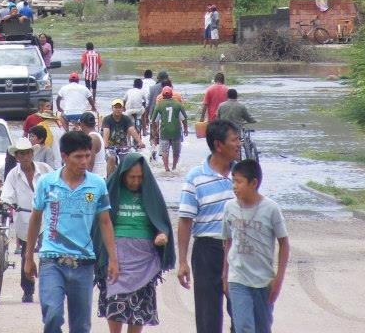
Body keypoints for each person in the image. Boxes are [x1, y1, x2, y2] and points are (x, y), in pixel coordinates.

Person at [24, 131, 118, 333]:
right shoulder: (47, 183)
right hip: (51, 259)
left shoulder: (97, 184)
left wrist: (113, 258)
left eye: (87, 155)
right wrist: (28, 256)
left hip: (84, 262)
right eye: (78, 157)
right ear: (64, 157)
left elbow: (105, 223)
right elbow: (35, 219)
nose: (84, 161)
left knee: (81, 325)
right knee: (52, 314)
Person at [94, 152, 175, 333]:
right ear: (123, 174)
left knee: (139, 309)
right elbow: (98, 219)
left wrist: (162, 235)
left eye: (140, 177)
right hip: (116, 257)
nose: (136, 181)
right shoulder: (110, 190)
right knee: (115, 304)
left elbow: (160, 220)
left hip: (144, 259)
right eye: (132, 177)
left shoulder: (150, 193)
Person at [177, 119, 240, 333]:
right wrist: (182, 261)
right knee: (208, 317)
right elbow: (185, 220)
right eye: (234, 140)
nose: (239, 144)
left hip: (240, 250)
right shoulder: (195, 177)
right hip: (207, 251)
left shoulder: (242, 176)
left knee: (242, 315)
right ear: (218, 145)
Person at [221, 159, 289, 333]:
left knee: (262, 328)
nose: (234, 186)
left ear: (253, 183)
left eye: (239, 181)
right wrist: (225, 273)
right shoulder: (229, 207)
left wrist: (279, 279)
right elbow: (227, 241)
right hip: (238, 278)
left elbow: (284, 244)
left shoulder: (271, 209)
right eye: (233, 181)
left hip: (264, 281)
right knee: (243, 327)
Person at [0, 138, 53, 303]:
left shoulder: (45, 169)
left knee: (47, 251)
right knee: (26, 255)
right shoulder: (13, 174)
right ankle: (28, 290)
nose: (25, 156)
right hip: (25, 219)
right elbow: (7, 194)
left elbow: (56, 186)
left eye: (28, 153)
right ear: (17, 157)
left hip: (46, 218)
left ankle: (48, 287)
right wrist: (4, 201)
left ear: (32, 153)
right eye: (21, 154)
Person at [150, 86, 189, 172]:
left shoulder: (159, 105)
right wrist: (186, 129)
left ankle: (166, 168)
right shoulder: (178, 105)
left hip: (164, 132)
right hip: (176, 132)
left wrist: (154, 130)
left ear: (162, 95)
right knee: (176, 151)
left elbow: (153, 120)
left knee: (164, 151)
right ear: (172, 94)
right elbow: (184, 119)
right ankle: (174, 167)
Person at [102, 99, 144, 176]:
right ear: (112, 108)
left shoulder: (126, 119)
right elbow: (106, 131)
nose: (118, 109)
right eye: (116, 107)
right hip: (110, 147)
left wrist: (139, 141)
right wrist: (105, 143)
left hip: (123, 147)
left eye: (120, 107)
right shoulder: (107, 119)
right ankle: (109, 180)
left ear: (123, 109)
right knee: (111, 158)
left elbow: (131, 130)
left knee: (128, 160)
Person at [79, 112, 106, 177]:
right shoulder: (96, 135)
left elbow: (89, 167)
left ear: (82, 124)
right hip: (99, 175)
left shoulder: (92, 138)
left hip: (95, 177)